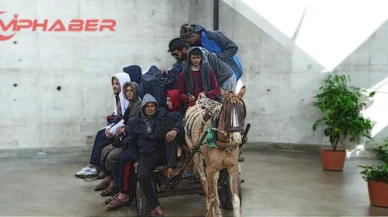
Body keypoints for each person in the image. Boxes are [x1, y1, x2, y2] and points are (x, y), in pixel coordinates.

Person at [128, 94, 183, 217]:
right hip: (147, 153)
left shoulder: (162, 113)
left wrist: (175, 130)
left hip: (163, 150)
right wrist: (136, 160)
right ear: (143, 108)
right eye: (148, 106)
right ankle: (155, 207)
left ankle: (170, 170)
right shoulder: (134, 123)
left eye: (153, 106)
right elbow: (131, 144)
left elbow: (179, 118)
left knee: (171, 137)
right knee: (142, 176)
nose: (151, 108)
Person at [75, 72, 130, 178]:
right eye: (113, 84)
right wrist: (109, 128)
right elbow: (116, 116)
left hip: (124, 130)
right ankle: (91, 165)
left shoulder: (127, 99)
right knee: (100, 132)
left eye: (117, 84)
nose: (114, 86)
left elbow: (125, 119)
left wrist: (112, 130)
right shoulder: (118, 97)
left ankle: (96, 168)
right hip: (118, 126)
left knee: (103, 137)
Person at [95, 82, 142, 197]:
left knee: (112, 156)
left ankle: (115, 185)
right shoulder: (130, 105)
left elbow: (137, 125)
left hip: (131, 141)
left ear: (136, 92)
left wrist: (124, 129)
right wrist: (115, 128)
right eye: (127, 91)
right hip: (124, 138)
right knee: (104, 149)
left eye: (131, 90)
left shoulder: (138, 106)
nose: (129, 93)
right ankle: (110, 179)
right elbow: (125, 121)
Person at [168, 38, 236, 93]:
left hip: (225, 79)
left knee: (223, 106)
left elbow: (205, 75)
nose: (175, 57)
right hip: (217, 82)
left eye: (176, 54)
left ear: (184, 50)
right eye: (173, 55)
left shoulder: (200, 53)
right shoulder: (185, 61)